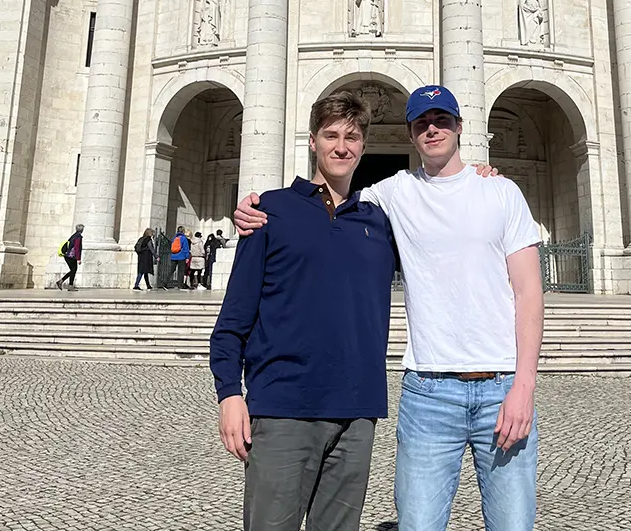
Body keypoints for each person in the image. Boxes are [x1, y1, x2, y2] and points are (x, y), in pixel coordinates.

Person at [235, 85, 544, 531]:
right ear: (410, 134)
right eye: (422, 123)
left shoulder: (501, 191)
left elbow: (529, 294)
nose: (432, 129)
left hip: (502, 384)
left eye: (441, 121)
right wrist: (253, 205)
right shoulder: (391, 194)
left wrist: (524, 387)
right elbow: (329, 203)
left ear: (460, 126)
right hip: (429, 391)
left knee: (514, 525)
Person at [210, 91, 396, 531]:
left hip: (357, 411)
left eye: (352, 137)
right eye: (330, 135)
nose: (341, 146)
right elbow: (233, 318)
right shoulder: (270, 210)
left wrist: (477, 178)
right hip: (283, 408)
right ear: (312, 141)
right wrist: (228, 393)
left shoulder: (379, 221)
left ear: (364, 147)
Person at [55, 225, 84, 291]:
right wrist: (78, 258)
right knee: (73, 270)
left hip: (67, 256)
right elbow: (77, 248)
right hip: (71, 256)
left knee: (73, 270)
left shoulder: (73, 236)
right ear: (81, 230)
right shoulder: (78, 236)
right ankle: (69, 285)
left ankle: (62, 282)